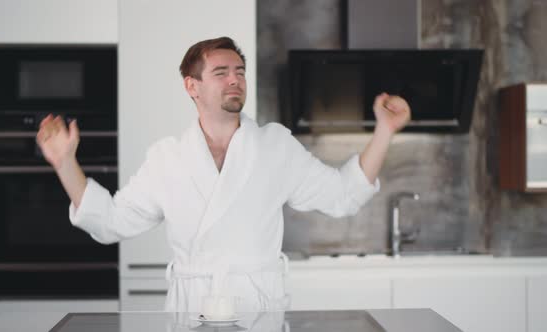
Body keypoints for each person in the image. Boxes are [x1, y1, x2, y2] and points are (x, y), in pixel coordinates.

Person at [36, 36, 411, 313]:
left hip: (257, 309)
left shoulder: (275, 146)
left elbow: (342, 195)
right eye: (221, 72)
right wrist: (66, 163)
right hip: (192, 310)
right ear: (192, 86)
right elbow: (111, 222)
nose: (235, 79)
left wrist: (384, 132)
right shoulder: (168, 158)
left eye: (239, 72)